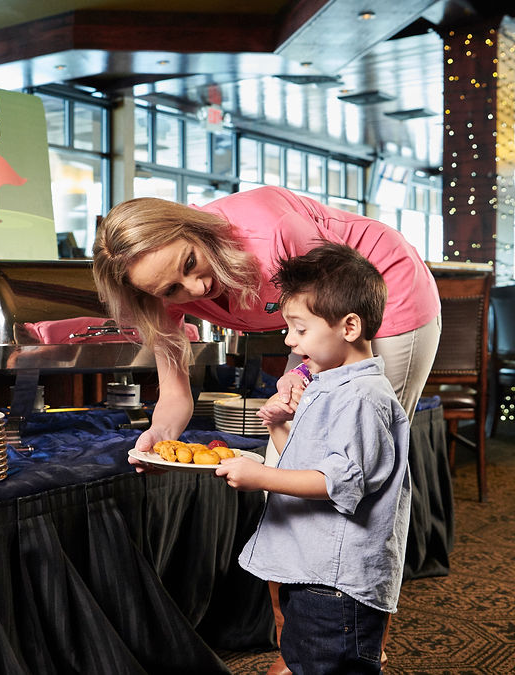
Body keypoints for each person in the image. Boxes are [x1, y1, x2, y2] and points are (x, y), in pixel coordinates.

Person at [92, 185, 439, 672]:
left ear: (195, 227)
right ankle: (300, 645)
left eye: (191, 264)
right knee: (281, 479)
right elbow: (175, 396)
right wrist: (158, 441)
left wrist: (298, 375)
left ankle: (357, 640)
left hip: (382, 294)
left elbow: (324, 312)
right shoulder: (157, 296)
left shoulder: (269, 228)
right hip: (313, 327)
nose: (192, 291)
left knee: (359, 478)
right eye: (170, 289)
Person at [215, 242, 411, 673]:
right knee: (305, 660)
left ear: (349, 326)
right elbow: (310, 463)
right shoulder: (332, 383)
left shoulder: (360, 397)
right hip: (313, 572)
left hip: (336, 584)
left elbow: (337, 483)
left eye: (300, 329)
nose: (289, 340)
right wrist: (279, 428)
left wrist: (260, 476)